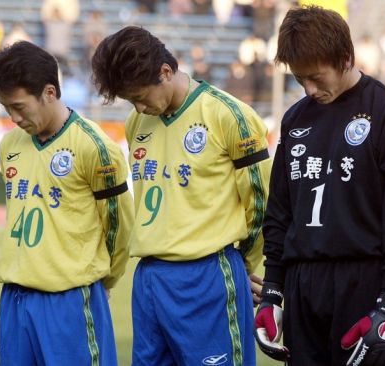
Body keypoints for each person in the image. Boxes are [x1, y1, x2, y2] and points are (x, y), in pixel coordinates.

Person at [254, 5, 385, 366]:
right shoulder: (295, 119)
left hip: (364, 285)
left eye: (316, 77)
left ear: (346, 58)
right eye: (299, 78)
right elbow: (281, 210)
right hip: (302, 286)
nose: (309, 88)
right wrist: (274, 289)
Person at [91, 26, 271, 365]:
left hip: (207, 275)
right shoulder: (136, 123)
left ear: (165, 71)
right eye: (131, 101)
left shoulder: (229, 116)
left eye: (140, 96)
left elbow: (261, 204)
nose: (139, 108)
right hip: (149, 279)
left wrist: (239, 267)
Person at [0, 41, 133, 365]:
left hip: (70, 300)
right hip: (14, 298)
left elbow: (119, 227)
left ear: (50, 92)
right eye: (6, 107)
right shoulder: (10, 145)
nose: (13, 117)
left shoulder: (95, 147)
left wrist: (105, 281)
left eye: (19, 107)